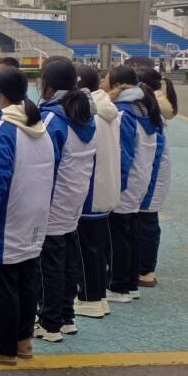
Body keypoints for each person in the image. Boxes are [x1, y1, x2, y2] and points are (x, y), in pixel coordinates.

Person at [0, 69, 55, 366]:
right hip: (34, 216)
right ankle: (22, 340)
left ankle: (3, 346)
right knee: (27, 280)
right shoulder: (39, 126)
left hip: (8, 219)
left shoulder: (6, 130)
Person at [35, 58, 97, 343]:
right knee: (68, 256)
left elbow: (42, 163)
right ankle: (66, 316)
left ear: (46, 84)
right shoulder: (85, 115)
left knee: (50, 262)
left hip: (54, 200)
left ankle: (50, 323)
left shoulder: (53, 119)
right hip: (74, 198)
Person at [106, 65, 165, 304]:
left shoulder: (124, 112)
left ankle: (119, 286)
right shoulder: (145, 108)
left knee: (119, 235)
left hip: (126, 183)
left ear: (116, 84)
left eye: (106, 80)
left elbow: (123, 154)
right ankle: (130, 284)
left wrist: (116, 186)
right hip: (140, 180)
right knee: (131, 232)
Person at [75, 65, 120, 319]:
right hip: (105, 187)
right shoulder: (108, 109)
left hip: (90, 188)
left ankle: (89, 299)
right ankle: (98, 296)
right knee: (98, 247)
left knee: (87, 249)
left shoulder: (90, 113)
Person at [136, 67, 176, 287]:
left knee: (147, 221)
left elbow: (155, 150)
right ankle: (142, 265)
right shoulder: (152, 108)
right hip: (151, 174)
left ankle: (146, 270)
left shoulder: (150, 112)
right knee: (145, 221)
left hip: (153, 175)